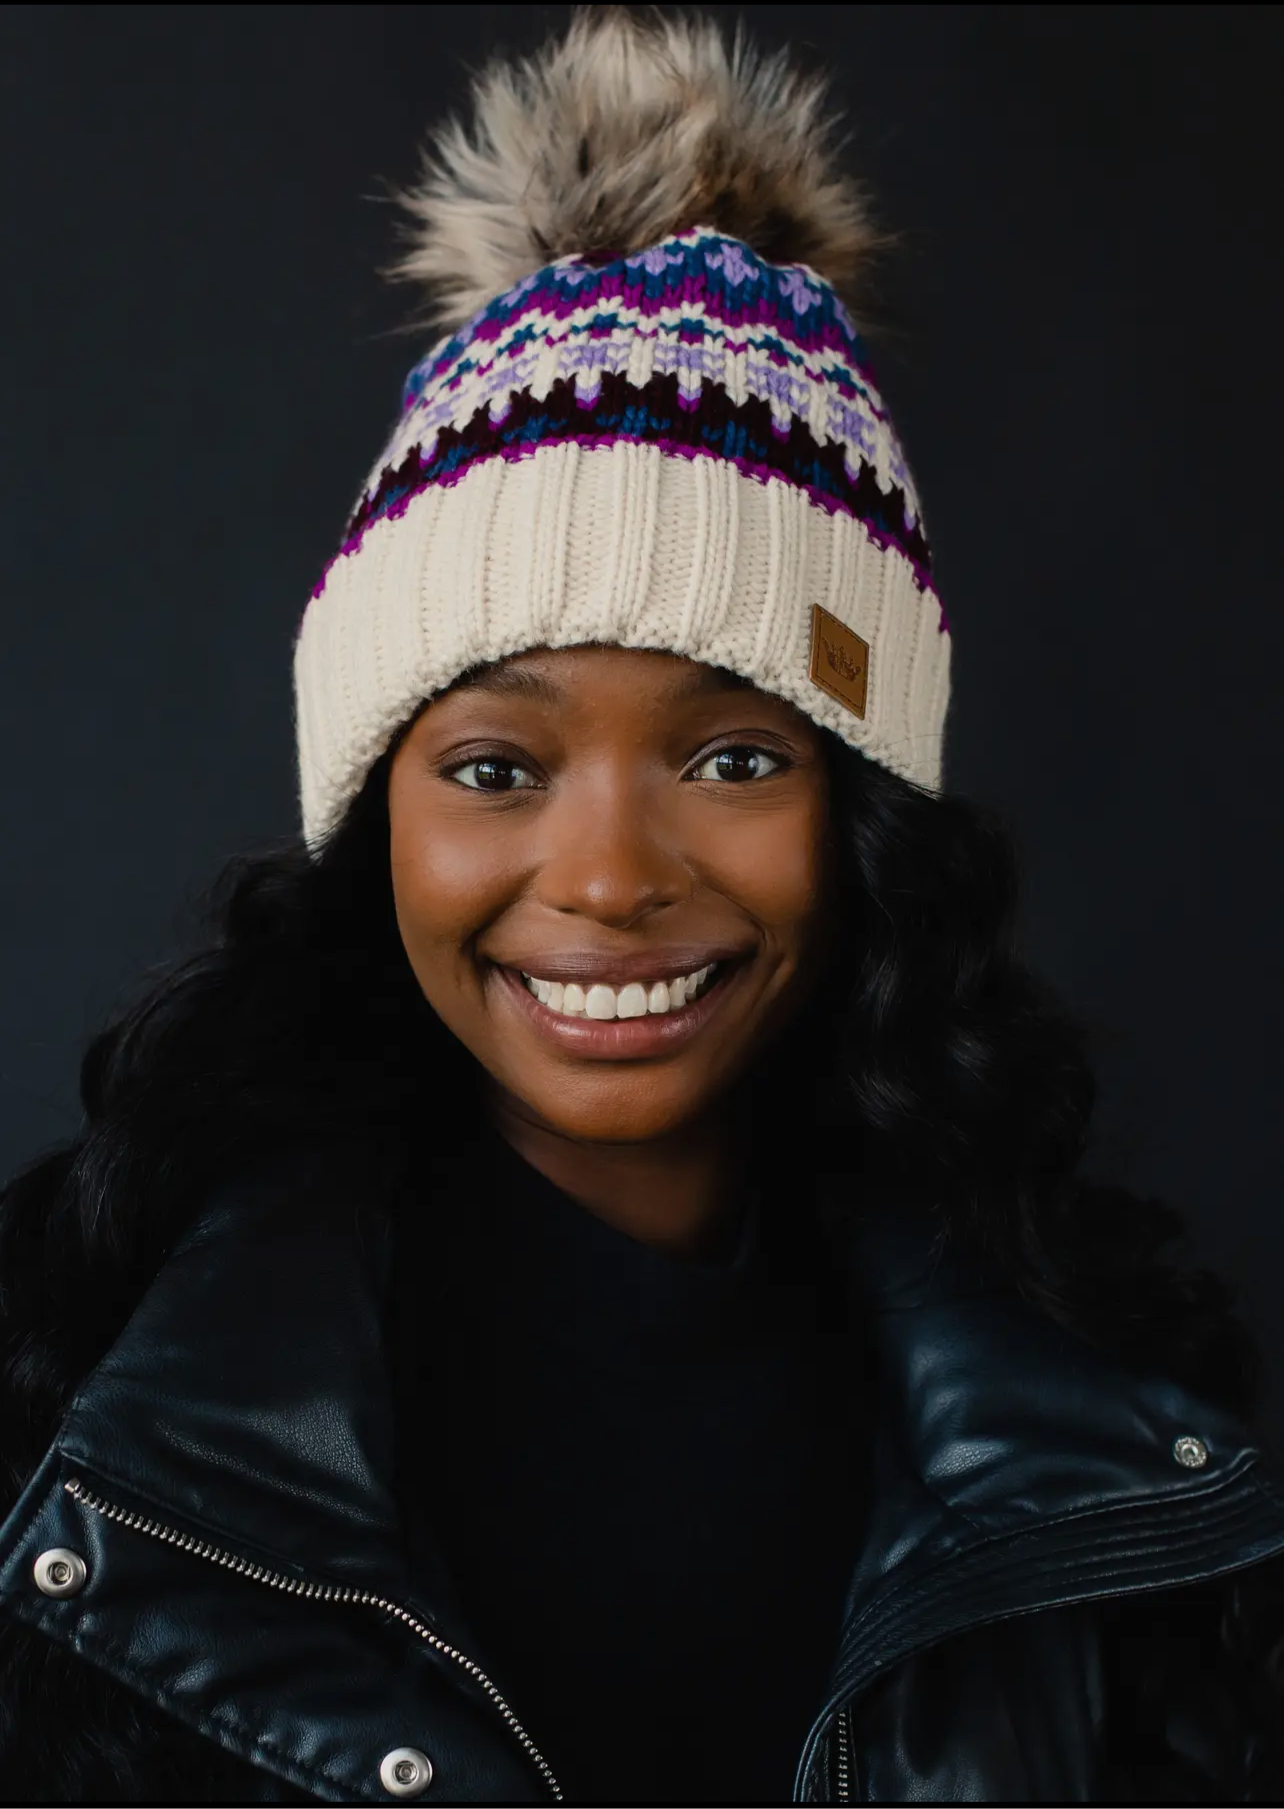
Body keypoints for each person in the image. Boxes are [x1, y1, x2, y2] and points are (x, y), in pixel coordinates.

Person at [1, 10, 1280, 1802]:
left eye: (738, 759)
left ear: (867, 817)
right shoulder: (86, 1430)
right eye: (496, 769)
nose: (607, 879)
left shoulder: (1104, 1436)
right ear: (373, 817)